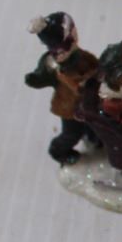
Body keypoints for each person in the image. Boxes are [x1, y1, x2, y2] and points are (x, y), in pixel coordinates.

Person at [23, 12, 100, 164]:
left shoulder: (78, 54)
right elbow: (42, 78)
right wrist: (34, 79)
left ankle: (94, 140)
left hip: (90, 101)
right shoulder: (52, 65)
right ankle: (59, 151)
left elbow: (94, 65)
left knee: (95, 125)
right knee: (72, 133)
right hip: (69, 107)